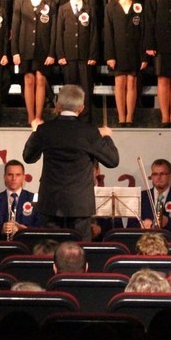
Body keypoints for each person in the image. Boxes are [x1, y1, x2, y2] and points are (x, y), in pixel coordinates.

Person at [23, 84, 119, 241]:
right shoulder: (89, 132)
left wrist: (35, 131)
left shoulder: (45, 130)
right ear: (81, 108)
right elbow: (112, 160)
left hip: (51, 203)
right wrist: (106, 136)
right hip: (79, 205)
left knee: (51, 249)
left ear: (57, 105)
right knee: (78, 250)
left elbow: (28, 157)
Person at [11, 0, 55, 126]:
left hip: (43, 48)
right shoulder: (20, 2)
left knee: (41, 80)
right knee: (28, 80)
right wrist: (15, 51)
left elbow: (54, 30)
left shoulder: (50, 3)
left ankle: (38, 116)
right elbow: (15, 28)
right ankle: (30, 117)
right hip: (25, 48)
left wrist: (51, 52)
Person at [104, 0, 147, 126]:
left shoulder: (138, 7)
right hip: (118, 51)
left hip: (135, 51)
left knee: (132, 82)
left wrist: (144, 57)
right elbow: (108, 33)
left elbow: (143, 32)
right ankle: (121, 117)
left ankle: (130, 117)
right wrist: (110, 56)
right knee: (120, 83)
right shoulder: (111, 7)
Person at [52, 0, 98, 118]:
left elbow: (93, 33)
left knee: (86, 87)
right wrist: (60, 54)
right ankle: (68, 116)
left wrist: (92, 55)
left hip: (85, 56)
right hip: (68, 56)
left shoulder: (89, 9)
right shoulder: (63, 9)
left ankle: (86, 117)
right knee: (69, 88)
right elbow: (59, 33)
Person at [129, 159, 171, 233]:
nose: (158, 177)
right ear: (151, 177)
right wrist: (142, 225)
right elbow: (130, 226)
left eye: (162, 174)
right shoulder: (140, 197)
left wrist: (168, 223)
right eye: (155, 174)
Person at [0, 160, 41, 239]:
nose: (14, 178)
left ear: (23, 177)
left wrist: (26, 230)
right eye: (10, 175)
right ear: (4, 177)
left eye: (18, 175)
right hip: (0, 244)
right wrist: (1, 229)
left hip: (27, 244)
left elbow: (41, 227)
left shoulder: (34, 199)